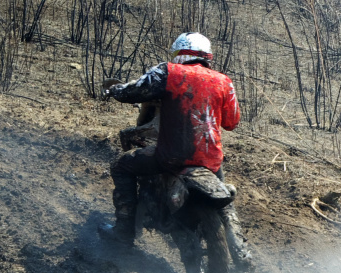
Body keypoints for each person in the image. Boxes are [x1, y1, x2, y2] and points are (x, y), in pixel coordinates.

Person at [99, 32, 241, 248]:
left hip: (170, 156)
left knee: (121, 165)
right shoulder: (224, 82)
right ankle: (240, 246)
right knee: (224, 193)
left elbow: (135, 91)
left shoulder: (168, 72)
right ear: (207, 55)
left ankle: (124, 232)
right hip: (210, 160)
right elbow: (232, 122)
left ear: (179, 53)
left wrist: (115, 90)